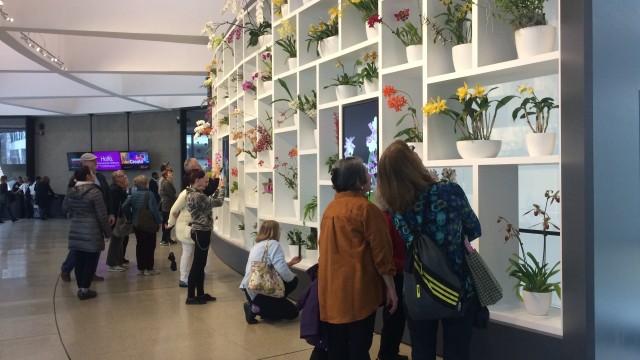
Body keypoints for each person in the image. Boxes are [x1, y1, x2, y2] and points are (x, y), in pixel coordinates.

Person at [377, 140, 482, 360]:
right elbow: (474, 228)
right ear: (414, 164)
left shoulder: (397, 206)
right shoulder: (449, 190)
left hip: (419, 285)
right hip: (458, 283)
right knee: (457, 350)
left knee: (422, 350)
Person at [318, 157, 398, 359]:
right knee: (359, 347)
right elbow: (382, 253)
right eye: (365, 171)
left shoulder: (330, 209)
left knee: (337, 348)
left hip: (331, 294)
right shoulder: (366, 209)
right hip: (358, 293)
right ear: (357, 180)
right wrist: (391, 288)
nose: (370, 175)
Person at [60, 152, 114, 282]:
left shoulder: (100, 177)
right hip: (83, 218)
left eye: (95, 160)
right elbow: (69, 198)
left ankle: (90, 272)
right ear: (84, 162)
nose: (95, 162)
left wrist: (110, 213)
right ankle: (67, 268)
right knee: (80, 247)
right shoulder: (75, 178)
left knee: (95, 247)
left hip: (99, 216)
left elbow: (107, 195)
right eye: (92, 160)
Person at [240, 220, 301, 324]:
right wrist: (293, 277)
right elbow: (281, 270)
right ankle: (255, 307)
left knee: (278, 312)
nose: (280, 232)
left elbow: (268, 268)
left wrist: (290, 263)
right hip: (261, 291)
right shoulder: (273, 244)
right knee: (293, 312)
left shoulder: (258, 245)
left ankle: (264, 308)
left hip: (251, 289)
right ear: (275, 231)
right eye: (279, 230)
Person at [184, 168, 225, 304]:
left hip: (200, 231)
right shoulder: (197, 196)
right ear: (197, 180)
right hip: (201, 232)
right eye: (204, 179)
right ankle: (191, 296)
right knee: (197, 265)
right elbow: (218, 202)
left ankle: (200, 293)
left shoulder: (192, 193)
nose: (206, 182)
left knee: (201, 264)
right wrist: (222, 187)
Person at [375, 193, 408, 360]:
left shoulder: (386, 218)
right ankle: (388, 354)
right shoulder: (388, 220)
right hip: (395, 273)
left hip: (396, 271)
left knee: (394, 317)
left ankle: (389, 352)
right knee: (394, 316)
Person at [121, 175, 162, 276]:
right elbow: (153, 209)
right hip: (148, 224)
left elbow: (124, 206)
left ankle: (141, 268)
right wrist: (159, 221)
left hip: (137, 224)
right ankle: (149, 268)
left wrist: (131, 217)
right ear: (146, 183)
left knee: (140, 245)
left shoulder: (133, 195)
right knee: (150, 245)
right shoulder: (149, 194)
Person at [106, 170, 130, 272]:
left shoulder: (120, 189)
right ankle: (113, 263)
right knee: (116, 241)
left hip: (120, 217)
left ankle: (119, 261)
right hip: (116, 218)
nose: (124, 177)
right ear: (116, 179)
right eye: (121, 176)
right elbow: (116, 205)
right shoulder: (114, 190)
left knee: (120, 241)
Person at [159, 166, 177, 246]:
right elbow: (171, 195)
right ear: (166, 175)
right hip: (167, 205)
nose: (171, 174)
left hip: (169, 204)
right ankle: (164, 239)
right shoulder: (166, 183)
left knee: (169, 222)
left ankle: (167, 238)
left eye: (171, 172)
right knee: (168, 222)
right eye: (169, 173)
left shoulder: (169, 182)